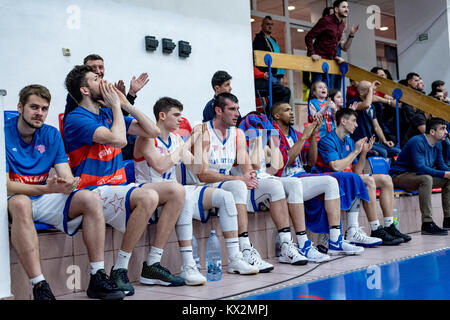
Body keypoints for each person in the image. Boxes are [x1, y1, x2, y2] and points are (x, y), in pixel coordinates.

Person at [63, 65, 187, 294]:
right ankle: (120, 268)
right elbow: (118, 140)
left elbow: (153, 131)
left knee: (177, 191)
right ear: (85, 90)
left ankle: (152, 263)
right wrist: (116, 107)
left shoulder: (109, 113)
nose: (103, 80)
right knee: (149, 196)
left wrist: (126, 104)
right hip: (91, 190)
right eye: (96, 78)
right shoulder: (75, 118)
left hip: (117, 188)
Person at [5, 85, 125, 300]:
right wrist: (47, 188)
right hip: (12, 198)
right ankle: (39, 285)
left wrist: (67, 184)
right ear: (20, 107)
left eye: (44, 108)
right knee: (21, 203)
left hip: (42, 196)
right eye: (34, 107)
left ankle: (97, 275)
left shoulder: (50, 134)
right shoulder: (3, 133)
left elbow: (66, 175)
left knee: (89, 198)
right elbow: (6, 186)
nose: (39, 113)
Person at [133, 97, 258, 283]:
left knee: (225, 197)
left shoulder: (175, 139)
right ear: (162, 115)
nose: (179, 120)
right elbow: (160, 165)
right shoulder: (146, 139)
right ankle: (188, 265)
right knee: (182, 195)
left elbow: (198, 169)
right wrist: (188, 141)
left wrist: (202, 143)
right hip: (148, 191)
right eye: (176, 115)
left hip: (173, 192)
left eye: (180, 116)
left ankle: (235, 258)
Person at [193, 92, 306, 272]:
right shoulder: (202, 131)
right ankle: (244, 249)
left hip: (228, 184)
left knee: (275, 185)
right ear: (218, 111)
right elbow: (203, 175)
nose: (237, 113)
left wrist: (251, 175)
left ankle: (286, 245)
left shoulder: (237, 133)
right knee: (238, 185)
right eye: (232, 109)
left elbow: (248, 168)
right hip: (203, 187)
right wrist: (240, 178)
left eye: (238, 109)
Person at [253, 106, 364, 256]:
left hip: (302, 175)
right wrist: (304, 137)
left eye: (291, 109)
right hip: (285, 178)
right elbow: (281, 164)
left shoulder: (295, 133)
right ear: (276, 115)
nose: (292, 112)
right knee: (335, 180)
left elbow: (310, 162)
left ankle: (335, 240)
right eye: (287, 110)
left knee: (331, 182)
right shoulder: (271, 135)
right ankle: (308, 242)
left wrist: (313, 136)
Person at [318, 108, 411, 245]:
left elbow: (356, 172)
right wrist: (356, 151)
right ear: (343, 121)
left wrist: (363, 154)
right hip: (332, 180)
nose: (356, 125)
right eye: (354, 121)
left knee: (386, 179)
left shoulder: (349, 141)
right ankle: (375, 228)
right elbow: (336, 166)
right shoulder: (328, 140)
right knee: (367, 181)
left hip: (349, 179)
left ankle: (389, 225)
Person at [63, 54, 149, 160]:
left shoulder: (103, 93)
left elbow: (119, 117)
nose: (99, 71)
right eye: (93, 69)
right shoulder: (78, 103)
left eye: (101, 67)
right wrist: (115, 105)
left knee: (142, 138)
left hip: (112, 137)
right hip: (92, 139)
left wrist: (128, 97)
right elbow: (71, 122)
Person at [390, 117, 450, 235]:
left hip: (416, 176)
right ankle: (427, 223)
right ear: (432, 132)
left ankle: (448, 220)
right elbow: (421, 168)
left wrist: (448, 173)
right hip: (400, 176)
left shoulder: (437, 144)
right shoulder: (417, 141)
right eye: (442, 129)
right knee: (426, 178)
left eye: (446, 128)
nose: (446, 132)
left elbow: (442, 165)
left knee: (448, 180)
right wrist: (445, 173)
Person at [305, 0, 359, 87]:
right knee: (316, 89)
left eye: (347, 7)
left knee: (326, 91)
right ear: (336, 9)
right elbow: (308, 37)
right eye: (344, 7)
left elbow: (334, 43)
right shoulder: (325, 21)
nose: (347, 9)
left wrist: (335, 56)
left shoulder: (342, 25)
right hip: (318, 61)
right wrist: (312, 54)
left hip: (330, 62)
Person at [350, 80, 401, 158]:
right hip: (359, 142)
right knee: (383, 153)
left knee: (397, 151)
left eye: (373, 89)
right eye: (370, 89)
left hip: (371, 142)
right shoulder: (353, 102)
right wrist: (371, 88)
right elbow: (366, 104)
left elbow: (376, 127)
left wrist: (384, 141)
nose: (374, 92)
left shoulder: (372, 107)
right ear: (361, 92)